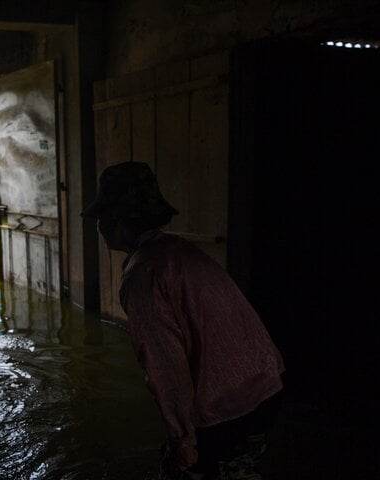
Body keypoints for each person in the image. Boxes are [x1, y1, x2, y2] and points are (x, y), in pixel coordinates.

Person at [82, 162, 285, 479]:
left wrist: (183, 440)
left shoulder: (142, 276)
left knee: (184, 467)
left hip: (228, 407)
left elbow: (166, 367)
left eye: (101, 218)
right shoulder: (179, 251)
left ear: (116, 222)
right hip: (267, 385)